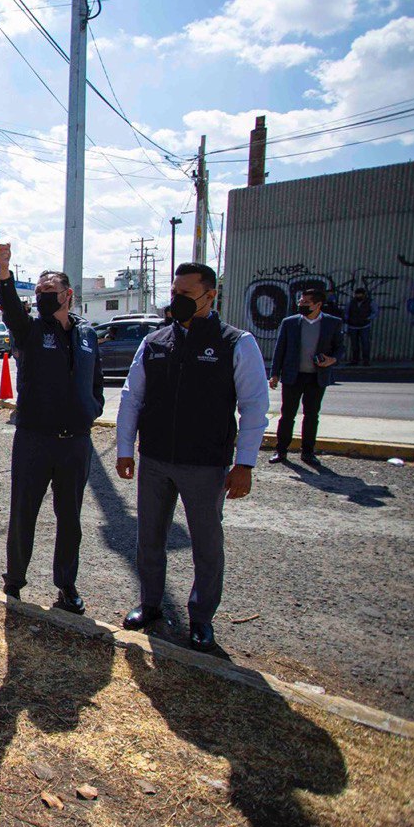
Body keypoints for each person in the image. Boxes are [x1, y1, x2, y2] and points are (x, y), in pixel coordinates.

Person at [115, 263, 269, 652]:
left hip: (205, 464)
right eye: (174, 293)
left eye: (186, 294)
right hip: (155, 460)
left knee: (206, 542)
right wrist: (124, 449)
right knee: (149, 537)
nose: (177, 301)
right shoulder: (155, 342)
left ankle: (201, 618)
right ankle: (150, 604)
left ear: (210, 295)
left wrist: (245, 464)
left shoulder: (236, 342)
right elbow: (132, 397)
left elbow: (254, 407)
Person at [0, 233, 103, 613]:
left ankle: (66, 585)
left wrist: (92, 408)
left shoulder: (87, 334)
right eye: (38, 290)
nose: (42, 295)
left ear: (67, 294)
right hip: (34, 439)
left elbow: (96, 380)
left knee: (70, 518)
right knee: (24, 512)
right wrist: (4, 272)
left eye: (49, 289)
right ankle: (14, 580)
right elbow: (11, 310)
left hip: (75, 442)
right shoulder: (31, 330)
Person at [269, 288, 344, 466]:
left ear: (318, 305)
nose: (301, 305)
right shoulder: (290, 323)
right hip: (293, 377)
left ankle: (308, 452)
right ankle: (281, 451)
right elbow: (280, 349)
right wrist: (274, 374)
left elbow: (340, 348)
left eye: (306, 303)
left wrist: (332, 360)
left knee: (311, 416)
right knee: (287, 415)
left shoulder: (332, 323)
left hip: (316, 378)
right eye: (300, 302)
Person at [343, 287, 373, 366]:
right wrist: (347, 319)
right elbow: (346, 312)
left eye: (360, 294)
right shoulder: (351, 302)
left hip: (364, 326)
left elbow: (375, 312)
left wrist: (368, 318)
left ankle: (366, 361)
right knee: (354, 344)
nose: (358, 296)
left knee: (365, 344)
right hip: (353, 326)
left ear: (364, 295)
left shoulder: (370, 302)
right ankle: (355, 360)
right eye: (357, 294)